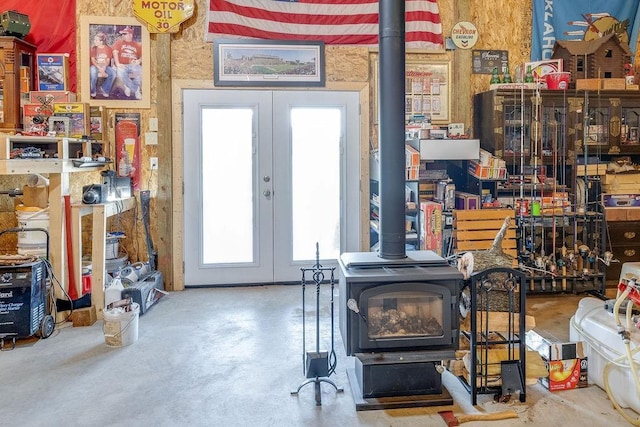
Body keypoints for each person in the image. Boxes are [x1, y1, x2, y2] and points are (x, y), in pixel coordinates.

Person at [112, 26, 143, 100]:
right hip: (123, 65)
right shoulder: (119, 42)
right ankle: (136, 89)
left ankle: (128, 86)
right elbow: (115, 52)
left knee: (140, 72)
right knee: (120, 74)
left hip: (133, 64)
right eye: (122, 34)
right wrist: (117, 64)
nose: (122, 35)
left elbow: (143, 55)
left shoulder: (137, 45)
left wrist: (139, 61)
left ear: (130, 35)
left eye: (125, 34)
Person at [89, 32, 115, 98]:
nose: (94, 41)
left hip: (105, 66)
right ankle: (93, 91)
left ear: (101, 42)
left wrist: (103, 68)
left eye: (96, 40)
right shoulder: (94, 49)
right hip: (95, 66)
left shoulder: (108, 49)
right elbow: (93, 60)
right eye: (94, 40)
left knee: (113, 74)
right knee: (93, 72)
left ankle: (105, 89)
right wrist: (99, 68)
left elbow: (108, 61)